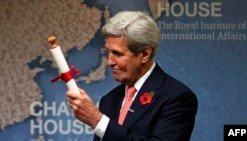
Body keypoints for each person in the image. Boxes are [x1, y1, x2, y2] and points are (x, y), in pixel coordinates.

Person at [66, 11, 198, 141]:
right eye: (108, 52)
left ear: (145, 54)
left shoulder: (177, 97)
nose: (110, 62)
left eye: (117, 53)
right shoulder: (109, 100)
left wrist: (98, 121)